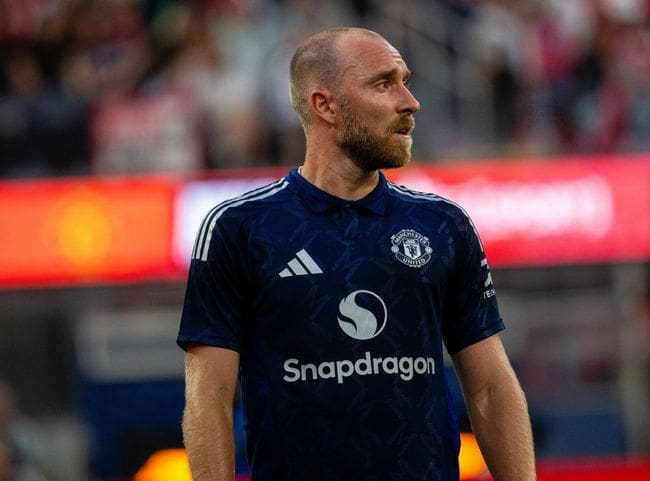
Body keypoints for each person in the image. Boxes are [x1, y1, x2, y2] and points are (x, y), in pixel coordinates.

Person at [177, 27, 536, 481]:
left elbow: (489, 388)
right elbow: (208, 397)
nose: (410, 102)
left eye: (405, 80)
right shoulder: (240, 229)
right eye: (383, 84)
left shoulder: (442, 225)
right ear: (324, 105)